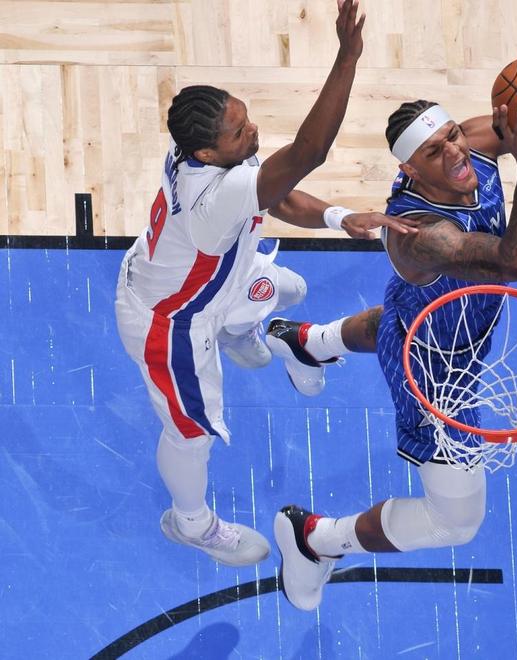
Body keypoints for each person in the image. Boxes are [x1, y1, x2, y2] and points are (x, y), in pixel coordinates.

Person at [266, 56, 517, 609]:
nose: (454, 153)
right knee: (456, 522)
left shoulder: (470, 142)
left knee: (393, 319)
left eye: (451, 136)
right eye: (434, 153)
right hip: (435, 374)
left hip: (422, 313)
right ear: (411, 171)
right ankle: (316, 540)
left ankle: (305, 342)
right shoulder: (421, 236)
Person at [114, 0, 418, 568]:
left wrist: (338, 217)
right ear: (207, 152)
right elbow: (308, 153)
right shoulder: (215, 196)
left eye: (247, 117)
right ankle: (191, 523)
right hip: (172, 323)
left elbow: (276, 194)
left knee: (289, 289)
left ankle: (245, 333)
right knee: (192, 434)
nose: (253, 130)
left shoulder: (205, 158)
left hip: (206, 280)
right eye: (240, 131)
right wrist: (347, 58)